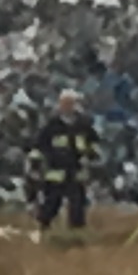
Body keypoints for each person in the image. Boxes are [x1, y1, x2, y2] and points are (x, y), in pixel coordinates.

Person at [24, 83, 95, 237]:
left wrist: (90, 157)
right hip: (55, 171)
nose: (68, 107)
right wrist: (36, 168)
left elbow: (93, 145)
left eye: (71, 103)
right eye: (65, 103)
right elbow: (38, 147)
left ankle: (77, 232)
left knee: (77, 202)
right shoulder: (51, 126)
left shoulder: (84, 125)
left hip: (76, 171)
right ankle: (43, 228)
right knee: (52, 201)